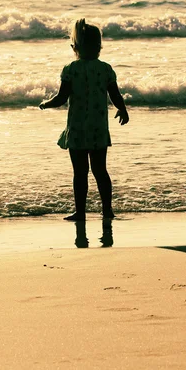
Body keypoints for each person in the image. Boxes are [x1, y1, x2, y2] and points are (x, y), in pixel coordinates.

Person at [39, 18, 129, 221]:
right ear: (99, 46)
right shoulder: (105, 69)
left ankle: (80, 212)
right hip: (98, 128)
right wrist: (123, 110)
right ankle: (107, 210)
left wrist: (46, 103)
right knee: (100, 171)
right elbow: (115, 95)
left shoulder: (71, 69)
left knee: (80, 173)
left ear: (75, 46)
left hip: (78, 129)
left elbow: (61, 98)